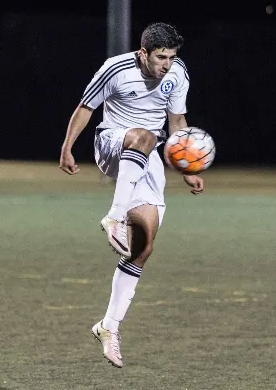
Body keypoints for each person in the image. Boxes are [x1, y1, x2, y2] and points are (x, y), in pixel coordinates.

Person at [59, 22, 204, 368]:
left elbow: (177, 120)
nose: (166, 64)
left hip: (147, 156)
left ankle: (108, 327)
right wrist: (67, 148)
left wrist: (187, 167)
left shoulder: (177, 73)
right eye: (160, 57)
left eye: (171, 57)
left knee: (143, 245)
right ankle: (113, 216)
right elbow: (85, 107)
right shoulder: (116, 69)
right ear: (143, 53)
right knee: (142, 135)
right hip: (113, 142)